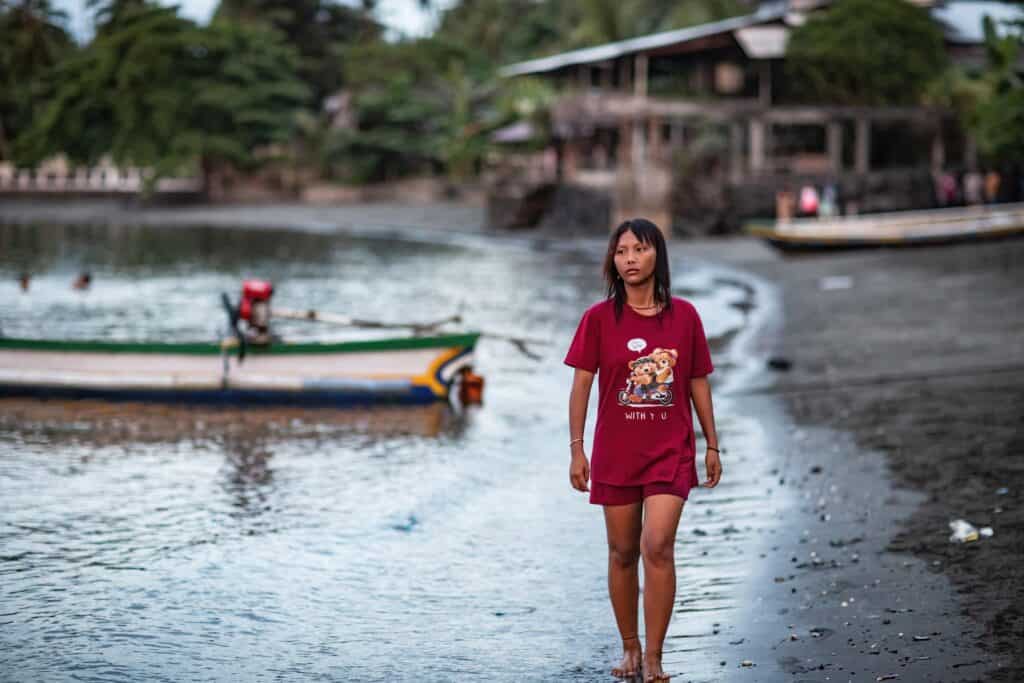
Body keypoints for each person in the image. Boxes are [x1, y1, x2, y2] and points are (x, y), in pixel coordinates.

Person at [565, 218, 722, 682]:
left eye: (639, 249)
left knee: (657, 545)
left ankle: (654, 656)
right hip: (615, 453)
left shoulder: (685, 317)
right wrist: (577, 449)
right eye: (621, 251)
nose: (629, 258)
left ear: (658, 255)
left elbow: (697, 381)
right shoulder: (597, 319)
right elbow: (580, 388)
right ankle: (630, 650)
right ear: (613, 261)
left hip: (670, 450)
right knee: (620, 552)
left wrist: (711, 443)